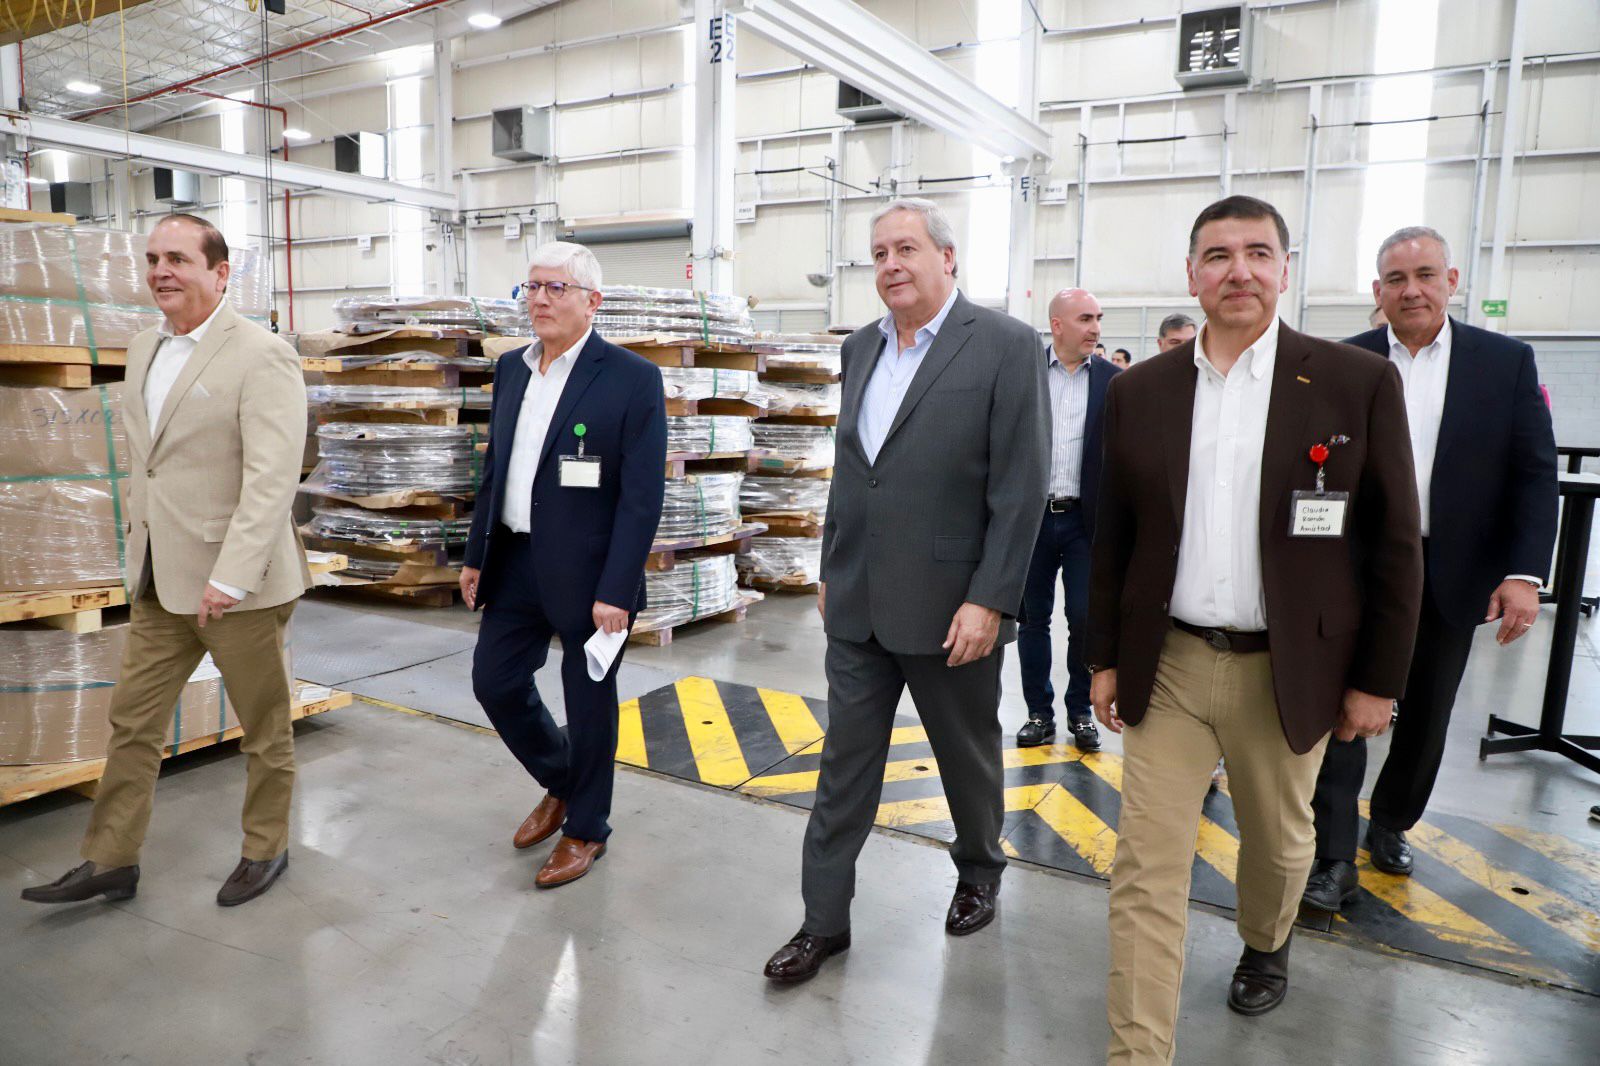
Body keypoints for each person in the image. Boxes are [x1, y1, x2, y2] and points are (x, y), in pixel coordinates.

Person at [1086, 195, 1423, 1063]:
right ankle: (1137, 1053)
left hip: (1289, 669)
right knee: (1145, 868)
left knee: (1279, 846)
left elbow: (1394, 544)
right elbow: (1114, 535)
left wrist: (1377, 682)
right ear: (1191, 274)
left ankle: (1266, 941)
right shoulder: (1138, 391)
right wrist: (1102, 658)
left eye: (1258, 253)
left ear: (1284, 268)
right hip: (1169, 663)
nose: (1239, 270)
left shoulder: (1353, 381)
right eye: (1218, 255)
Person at [762, 198, 1048, 983]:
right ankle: (824, 922)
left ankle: (980, 868)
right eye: (880, 253)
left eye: (907, 249)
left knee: (966, 757)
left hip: (954, 607)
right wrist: (830, 566)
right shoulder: (861, 347)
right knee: (842, 769)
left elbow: (1020, 487)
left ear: (947, 258)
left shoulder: (1005, 345)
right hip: (857, 600)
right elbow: (854, 471)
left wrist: (991, 599)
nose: (891, 265)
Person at [22, 214, 310, 908]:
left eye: (177, 259)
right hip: (160, 576)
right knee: (132, 721)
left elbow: (271, 479)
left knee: (263, 729)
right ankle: (110, 858)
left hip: (238, 588)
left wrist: (231, 575)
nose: (161, 272)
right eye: (153, 259)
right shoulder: (145, 347)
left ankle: (265, 847)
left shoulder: (261, 354)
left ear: (220, 272)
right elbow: (148, 465)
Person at [1304, 226, 1558, 910]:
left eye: (1424, 275)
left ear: (1452, 281)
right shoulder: (1341, 361)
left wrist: (1524, 573)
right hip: (1353, 566)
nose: (1410, 290)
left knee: (1427, 710)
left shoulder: (1503, 362)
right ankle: (1332, 854)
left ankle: (1390, 821)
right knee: (1339, 708)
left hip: (1452, 567)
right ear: (1377, 290)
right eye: (1396, 278)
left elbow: (1535, 474)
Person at [462, 241, 667, 889]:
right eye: (532, 287)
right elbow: (495, 468)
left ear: (592, 301)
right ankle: (562, 779)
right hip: (515, 559)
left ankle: (586, 829)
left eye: (557, 288)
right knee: (495, 682)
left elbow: (642, 497)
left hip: (592, 573)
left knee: (589, 702)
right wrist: (476, 555)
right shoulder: (512, 369)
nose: (540, 299)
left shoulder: (631, 378)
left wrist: (618, 588)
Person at [1016, 289, 1120, 752]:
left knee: (1083, 617)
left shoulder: (1114, 382)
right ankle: (1039, 712)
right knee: (1032, 620)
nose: (1095, 328)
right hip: (1033, 520)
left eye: (1098, 318)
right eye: (1085, 319)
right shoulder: (1024, 374)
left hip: (1084, 522)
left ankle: (1080, 711)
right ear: (1057, 325)